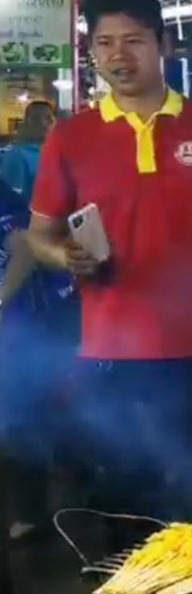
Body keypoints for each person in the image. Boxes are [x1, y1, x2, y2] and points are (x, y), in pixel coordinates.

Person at [25, 0, 192, 522]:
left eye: (133, 40)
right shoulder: (71, 137)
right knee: (122, 499)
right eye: (104, 43)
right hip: (108, 353)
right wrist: (66, 256)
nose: (118, 56)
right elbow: (38, 237)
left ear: (164, 44)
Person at [0, 180, 76, 539]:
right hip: (25, 324)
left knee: (19, 414)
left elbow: (25, 246)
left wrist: (1, 299)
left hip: (30, 321)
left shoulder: (4, 197)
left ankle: (34, 516)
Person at [1, 101, 55, 205]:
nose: (51, 122)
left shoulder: (52, 152)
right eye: (47, 118)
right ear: (31, 122)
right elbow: (11, 200)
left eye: (52, 118)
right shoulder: (16, 155)